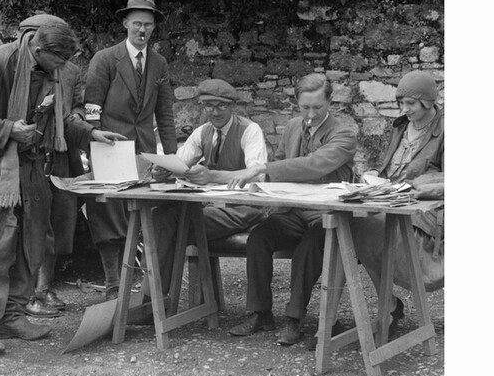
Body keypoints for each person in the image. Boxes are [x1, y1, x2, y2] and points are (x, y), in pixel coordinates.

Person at [0, 19, 126, 356]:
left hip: (35, 169)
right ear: (38, 49)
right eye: (58, 61)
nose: (63, 69)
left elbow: (61, 118)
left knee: (31, 245)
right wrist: (9, 129)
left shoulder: (52, 70)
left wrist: (91, 134)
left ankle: (13, 315)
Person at [226, 73, 357, 346]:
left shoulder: (344, 134)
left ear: (330, 101)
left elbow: (315, 165)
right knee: (260, 237)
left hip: (329, 217)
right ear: (296, 103)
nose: (310, 114)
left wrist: (264, 169)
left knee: (309, 247)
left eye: (317, 108)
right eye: (304, 107)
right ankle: (260, 313)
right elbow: (279, 163)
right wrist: (262, 186)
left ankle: (294, 319)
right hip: (294, 212)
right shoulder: (293, 127)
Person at [84, 0, 177, 299]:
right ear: (125, 23)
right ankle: (114, 286)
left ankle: (139, 285)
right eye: (137, 23)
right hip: (110, 147)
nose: (142, 31)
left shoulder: (159, 63)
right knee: (109, 215)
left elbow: (164, 112)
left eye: (148, 25)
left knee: (141, 215)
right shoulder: (105, 59)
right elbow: (91, 108)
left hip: (144, 151)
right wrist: (95, 140)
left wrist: (172, 160)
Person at [151, 78, 268, 293]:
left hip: (244, 209)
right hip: (213, 209)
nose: (215, 112)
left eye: (221, 106)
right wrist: (162, 171)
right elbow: (179, 163)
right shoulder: (202, 132)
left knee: (170, 226)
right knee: (162, 215)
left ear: (232, 106)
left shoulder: (250, 131)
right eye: (209, 106)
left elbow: (257, 176)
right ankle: (158, 297)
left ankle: (155, 299)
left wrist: (211, 175)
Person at [350, 70, 444, 333]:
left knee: (365, 228)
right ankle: (388, 304)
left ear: (427, 101)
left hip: (426, 211)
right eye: (401, 103)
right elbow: (389, 170)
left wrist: (414, 188)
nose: (405, 109)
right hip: (391, 200)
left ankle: (389, 309)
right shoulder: (400, 126)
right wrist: (373, 178)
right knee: (349, 225)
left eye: (411, 103)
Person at [17, 14, 88, 319]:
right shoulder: (20, 70)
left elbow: (77, 106)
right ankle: (26, 293)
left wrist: (82, 121)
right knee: (30, 226)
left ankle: (44, 287)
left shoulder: (70, 70)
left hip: (60, 156)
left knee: (58, 225)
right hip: (28, 155)